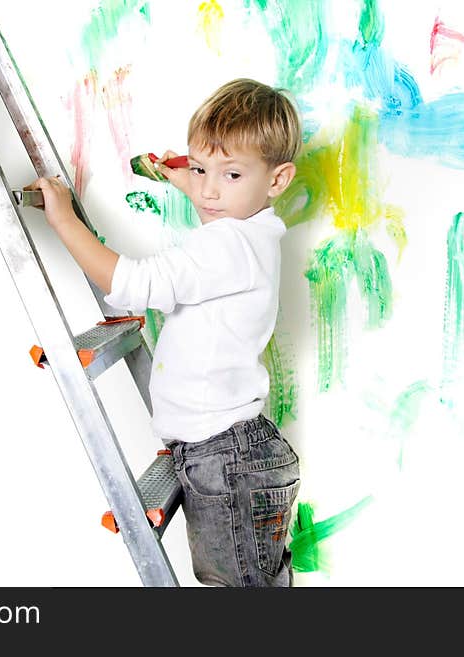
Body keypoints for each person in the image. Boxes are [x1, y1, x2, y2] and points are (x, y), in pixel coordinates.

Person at [28, 78, 302, 587]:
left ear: (278, 179)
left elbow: (130, 285)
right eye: (201, 170)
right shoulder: (257, 230)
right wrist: (186, 176)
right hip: (235, 451)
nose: (210, 189)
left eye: (231, 174)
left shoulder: (224, 245)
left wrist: (64, 221)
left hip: (225, 459)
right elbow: (222, 193)